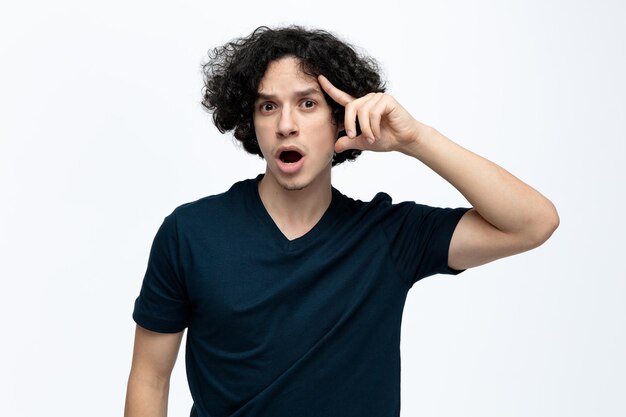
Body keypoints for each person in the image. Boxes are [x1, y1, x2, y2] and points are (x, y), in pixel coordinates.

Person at [124, 25, 559, 417]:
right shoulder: (190, 233)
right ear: (250, 121)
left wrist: (416, 139)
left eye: (307, 104)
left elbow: (533, 223)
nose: (286, 125)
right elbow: (149, 379)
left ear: (340, 119)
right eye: (268, 106)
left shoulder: (389, 235)